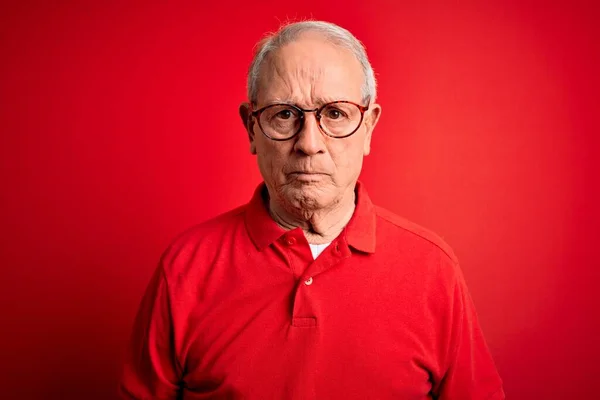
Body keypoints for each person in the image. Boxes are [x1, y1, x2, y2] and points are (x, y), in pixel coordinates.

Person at [119, 20, 504, 399]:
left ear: (369, 127)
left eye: (335, 114)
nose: (309, 144)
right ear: (251, 128)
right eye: (284, 114)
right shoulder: (186, 268)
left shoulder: (433, 270)